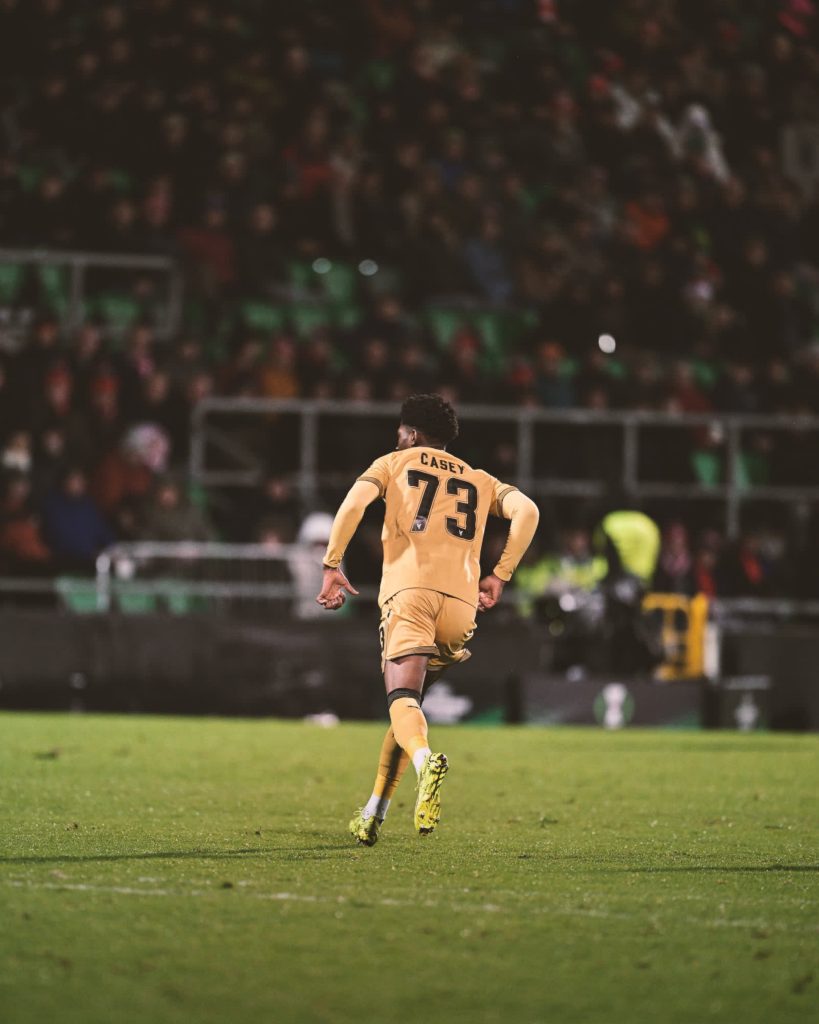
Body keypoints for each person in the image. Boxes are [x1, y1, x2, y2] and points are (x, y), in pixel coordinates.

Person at [315, 394, 539, 845]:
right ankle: (373, 813)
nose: (397, 437)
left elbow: (354, 504)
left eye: (401, 431)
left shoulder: (393, 462)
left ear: (412, 434)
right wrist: (499, 575)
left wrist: (332, 563)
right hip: (461, 606)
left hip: (411, 593)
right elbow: (528, 511)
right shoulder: (478, 478)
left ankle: (426, 763)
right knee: (408, 706)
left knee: (401, 700)